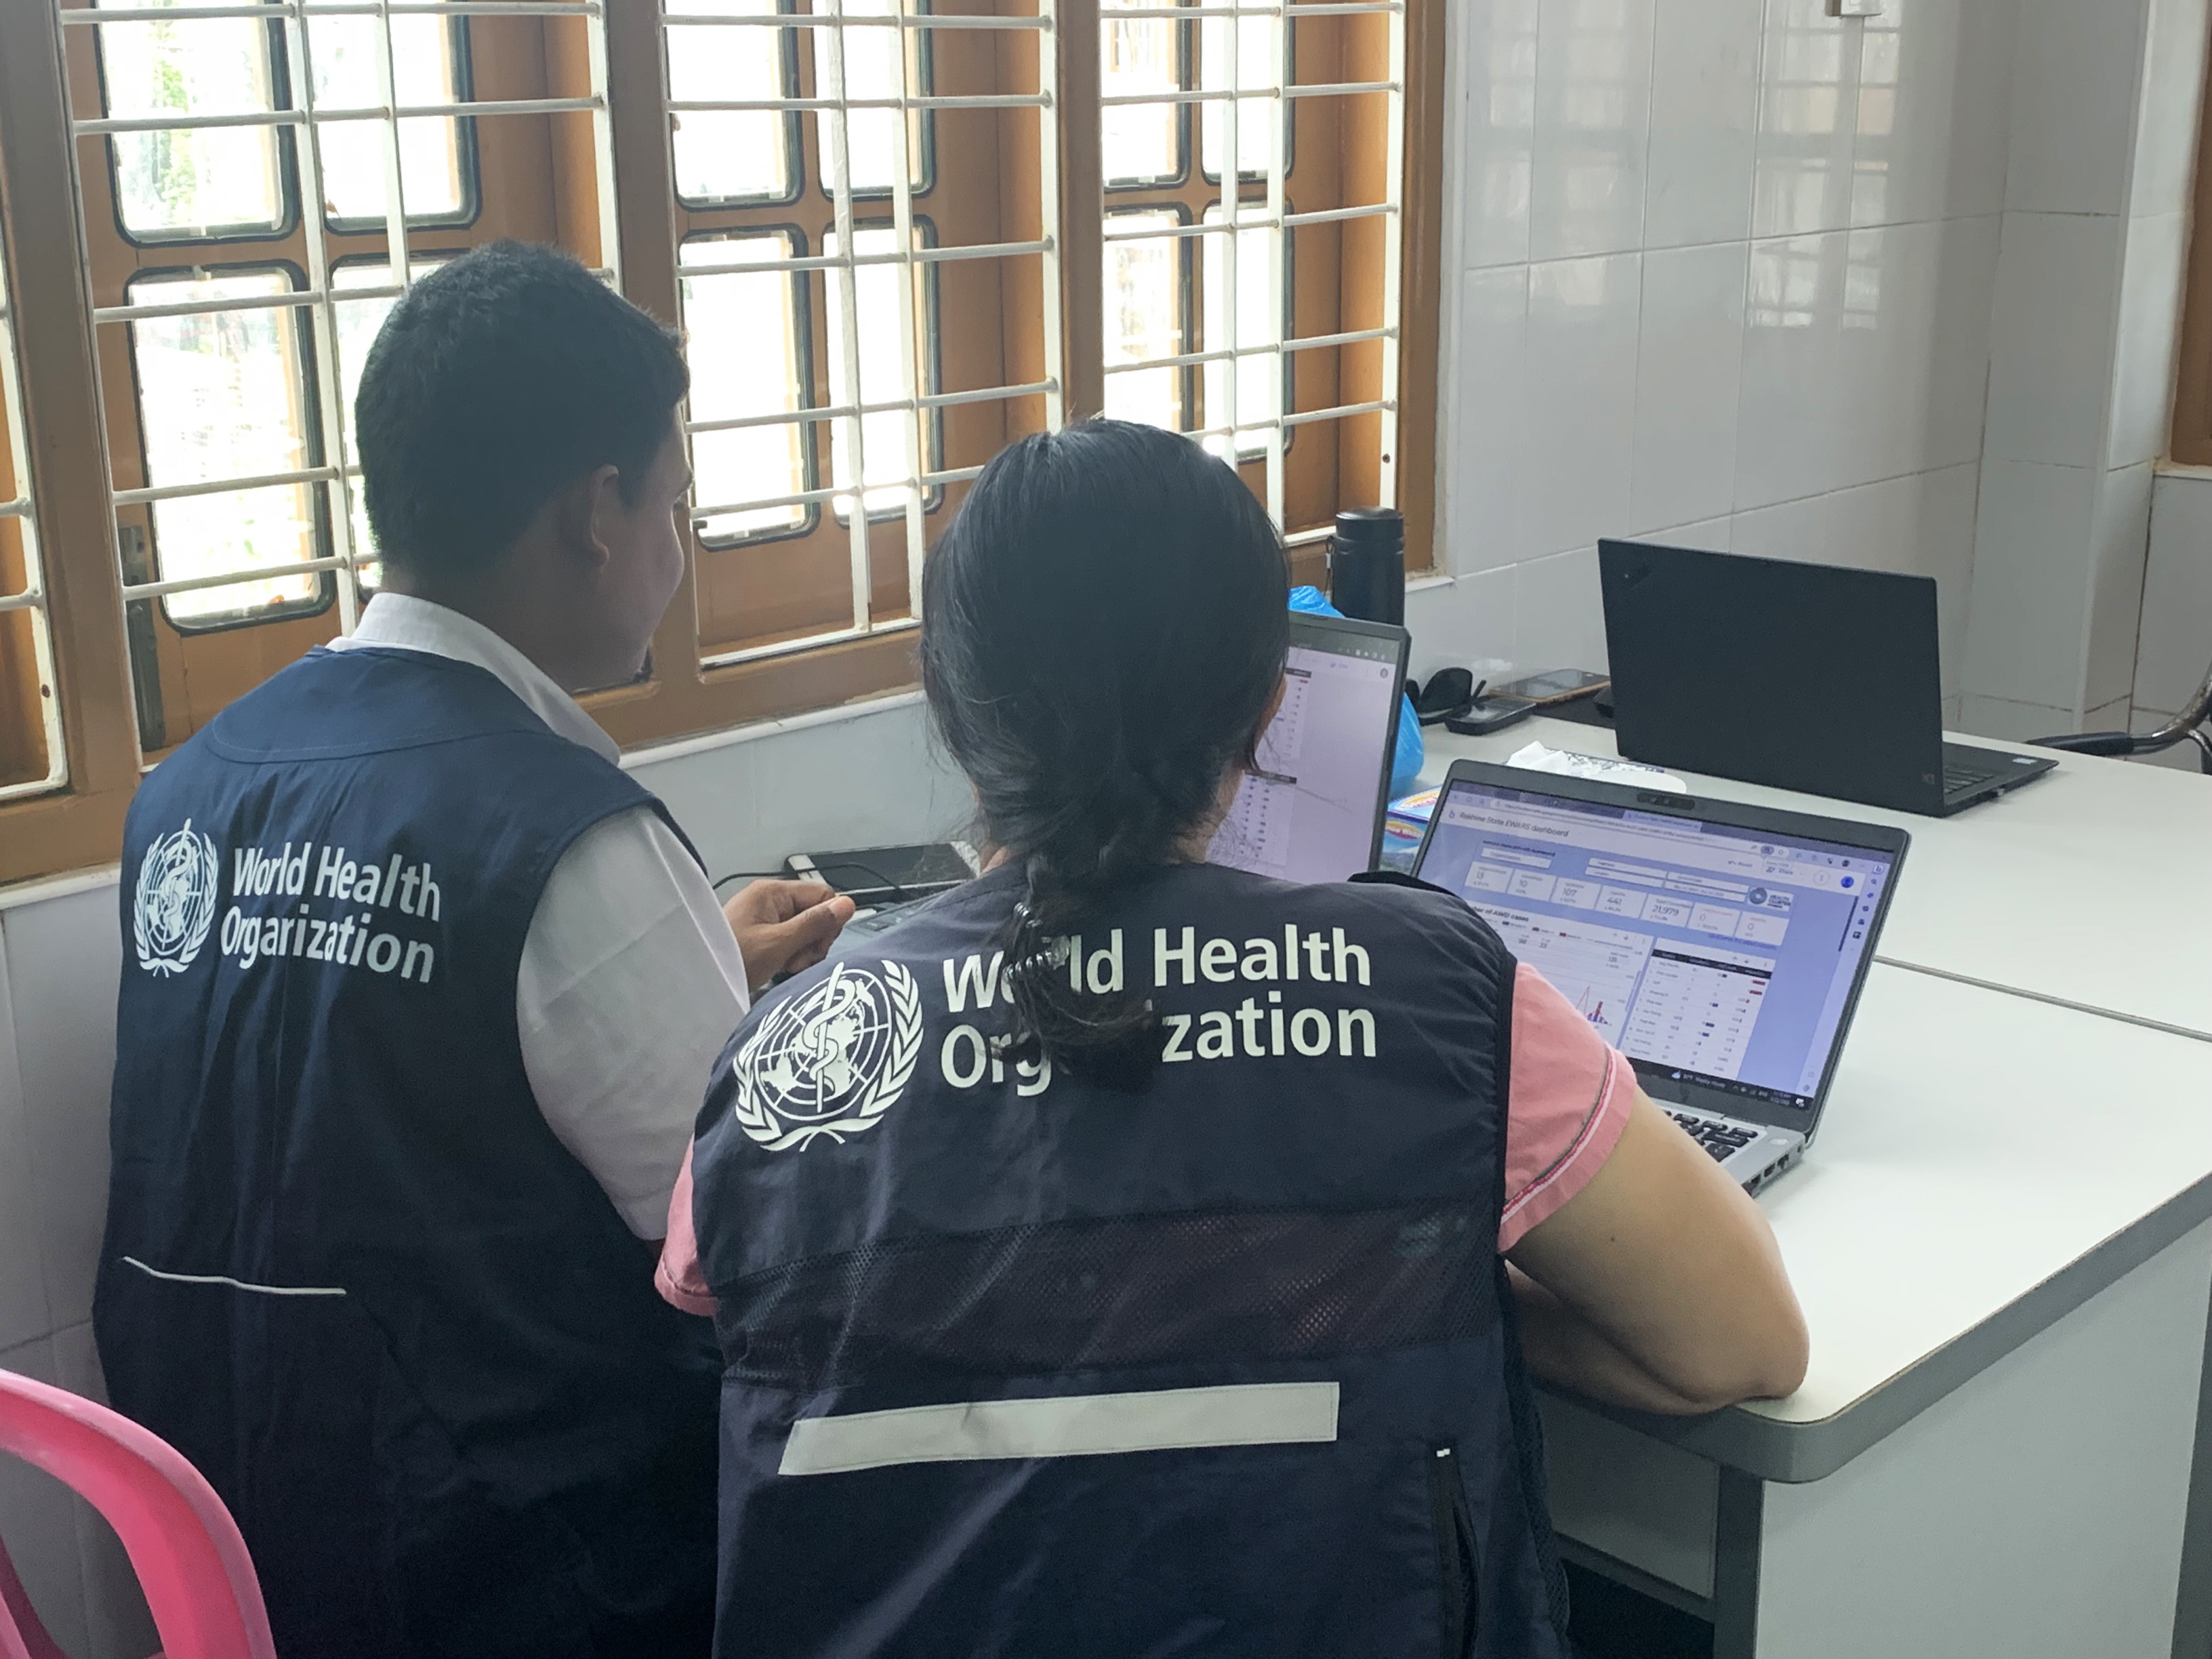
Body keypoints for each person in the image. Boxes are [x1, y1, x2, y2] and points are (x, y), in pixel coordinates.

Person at [660, 419, 1807, 1658]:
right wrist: (1407, 1277)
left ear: (946, 702)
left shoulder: (788, 1049)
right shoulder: (1438, 991)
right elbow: (1738, 1346)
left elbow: (736, 1318)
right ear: (1269, 710)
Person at [94, 241, 852, 1659]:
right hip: (513, 1577)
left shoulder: (190, 789)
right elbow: (748, 1254)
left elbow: (373, 1073)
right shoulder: (567, 839)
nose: (678, 553)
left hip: (227, 1560)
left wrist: (687, 965)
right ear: (596, 514)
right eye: (674, 505)